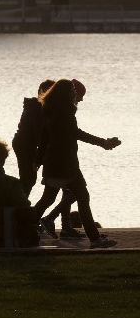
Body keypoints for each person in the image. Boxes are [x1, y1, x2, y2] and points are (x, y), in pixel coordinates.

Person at [33, 79, 120, 248]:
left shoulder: (50, 111)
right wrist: (104, 143)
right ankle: (95, 239)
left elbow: (44, 139)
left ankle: (22, 229)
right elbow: (77, 134)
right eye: (73, 91)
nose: (75, 94)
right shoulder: (65, 113)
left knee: (47, 199)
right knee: (82, 197)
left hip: (53, 164)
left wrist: (37, 161)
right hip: (66, 165)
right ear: (66, 94)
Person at [12, 79, 55, 197]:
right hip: (24, 144)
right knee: (28, 178)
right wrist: (40, 157)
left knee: (29, 177)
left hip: (25, 144)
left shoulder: (36, 106)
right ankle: (20, 202)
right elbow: (38, 132)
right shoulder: (36, 108)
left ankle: (21, 200)